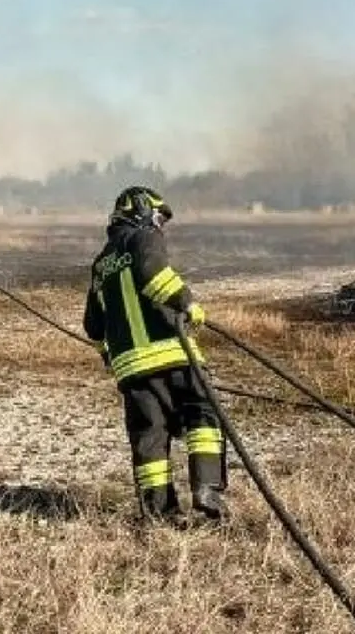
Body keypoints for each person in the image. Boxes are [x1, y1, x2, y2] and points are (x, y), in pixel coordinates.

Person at [83, 185, 226, 525]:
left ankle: (160, 514)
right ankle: (207, 489)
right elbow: (153, 275)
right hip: (171, 353)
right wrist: (187, 303)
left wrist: (109, 356)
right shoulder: (142, 237)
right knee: (202, 415)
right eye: (159, 216)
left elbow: (92, 325)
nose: (160, 225)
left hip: (132, 370)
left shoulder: (101, 264)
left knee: (150, 437)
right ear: (142, 210)